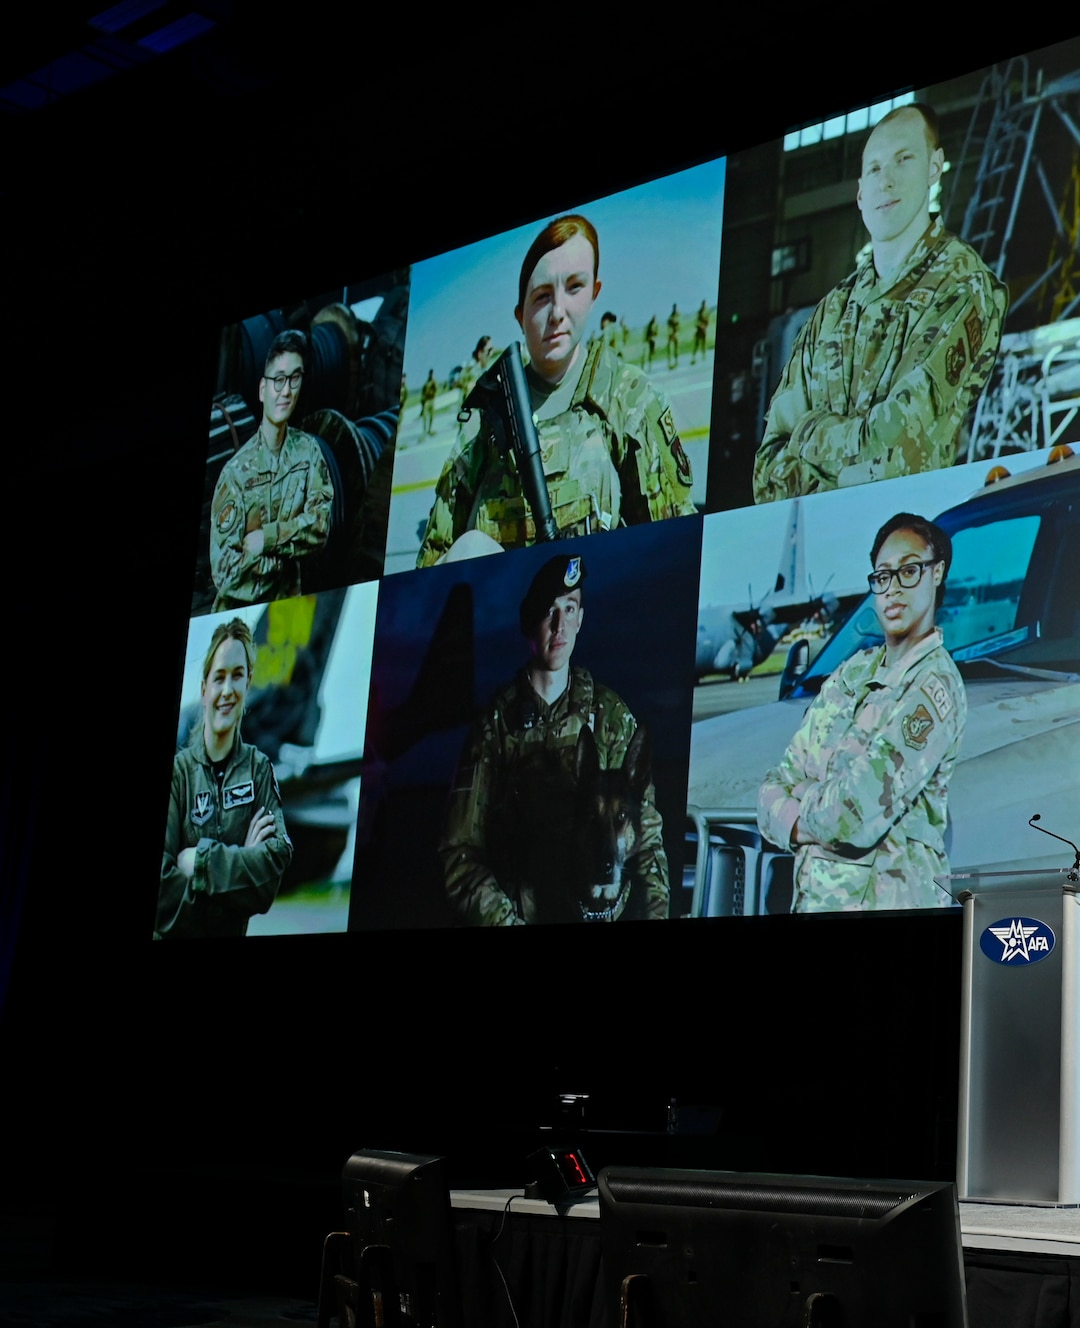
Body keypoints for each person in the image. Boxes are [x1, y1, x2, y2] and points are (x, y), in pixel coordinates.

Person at [752, 105, 1007, 502]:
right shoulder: (831, 311)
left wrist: (807, 434)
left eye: (903, 160)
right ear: (858, 193)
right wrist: (850, 450)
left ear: (933, 168)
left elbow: (892, 455)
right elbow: (766, 469)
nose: (885, 181)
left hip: (905, 538)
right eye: (874, 169)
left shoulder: (962, 285)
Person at [416, 214, 695, 567]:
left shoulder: (629, 399)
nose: (557, 312)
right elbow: (434, 556)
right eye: (542, 296)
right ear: (520, 314)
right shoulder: (484, 421)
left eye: (574, 287)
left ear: (594, 293)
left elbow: (672, 546)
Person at [439, 554, 670, 924]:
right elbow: (459, 854)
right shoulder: (495, 725)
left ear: (581, 618)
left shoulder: (611, 715)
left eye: (569, 608)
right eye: (549, 611)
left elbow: (648, 844)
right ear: (530, 623)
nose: (559, 625)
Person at [758, 513, 966, 910]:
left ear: (937, 573)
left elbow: (850, 818)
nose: (893, 589)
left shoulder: (933, 686)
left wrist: (803, 798)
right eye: (882, 576)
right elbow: (773, 784)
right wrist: (812, 806)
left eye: (909, 571)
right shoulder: (852, 672)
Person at [159, 619, 292, 939]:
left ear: (248, 684)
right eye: (219, 678)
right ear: (204, 690)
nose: (228, 690)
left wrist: (200, 862)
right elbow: (161, 891)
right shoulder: (178, 775)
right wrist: (244, 861)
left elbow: (272, 868)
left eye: (237, 676)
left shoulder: (259, 769)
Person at [209, 330, 336, 611]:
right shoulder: (236, 474)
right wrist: (285, 562)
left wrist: (265, 539)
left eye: (294, 378)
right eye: (278, 379)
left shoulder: (309, 453)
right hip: (237, 618)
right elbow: (226, 574)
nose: (286, 390)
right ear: (262, 390)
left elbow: (320, 528)